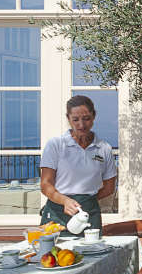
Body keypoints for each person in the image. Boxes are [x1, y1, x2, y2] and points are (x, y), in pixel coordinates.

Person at [40, 95, 118, 235]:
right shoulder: (56, 145)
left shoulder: (104, 148)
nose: (81, 125)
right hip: (57, 211)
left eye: (86, 118)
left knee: (93, 254)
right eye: (75, 120)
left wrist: (87, 200)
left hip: (88, 213)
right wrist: (64, 201)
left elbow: (109, 187)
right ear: (68, 119)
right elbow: (45, 185)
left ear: (94, 116)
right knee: (52, 255)